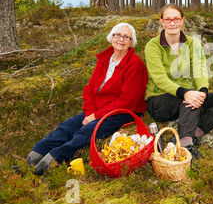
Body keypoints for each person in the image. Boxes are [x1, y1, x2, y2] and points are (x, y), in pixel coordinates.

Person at [27, 23, 148, 175]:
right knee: (67, 127)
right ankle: (32, 159)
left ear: (131, 42)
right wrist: (90, 112)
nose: (121, 39)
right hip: (97, 109)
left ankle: (51, 162)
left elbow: (127, 101)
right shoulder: (105, 59)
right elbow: (90, 89)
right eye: (117, 35)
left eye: (126, 37)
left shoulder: (135, 64)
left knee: (85, 132)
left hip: (122, 112)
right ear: (111, 37)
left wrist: (95, 116)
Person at [144, 4, 213, 160]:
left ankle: (190, 135)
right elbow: (159, 79)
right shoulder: (153, 46)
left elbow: (199, 69)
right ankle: (187, 146)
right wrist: (185, 93)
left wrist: (203, 91)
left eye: (176, 19)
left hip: (186, 95)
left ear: (182, 21)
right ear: (162, 22)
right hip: (159, 99)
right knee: (187, 99)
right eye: (168, 19)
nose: (172, 23)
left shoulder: (192, 43)